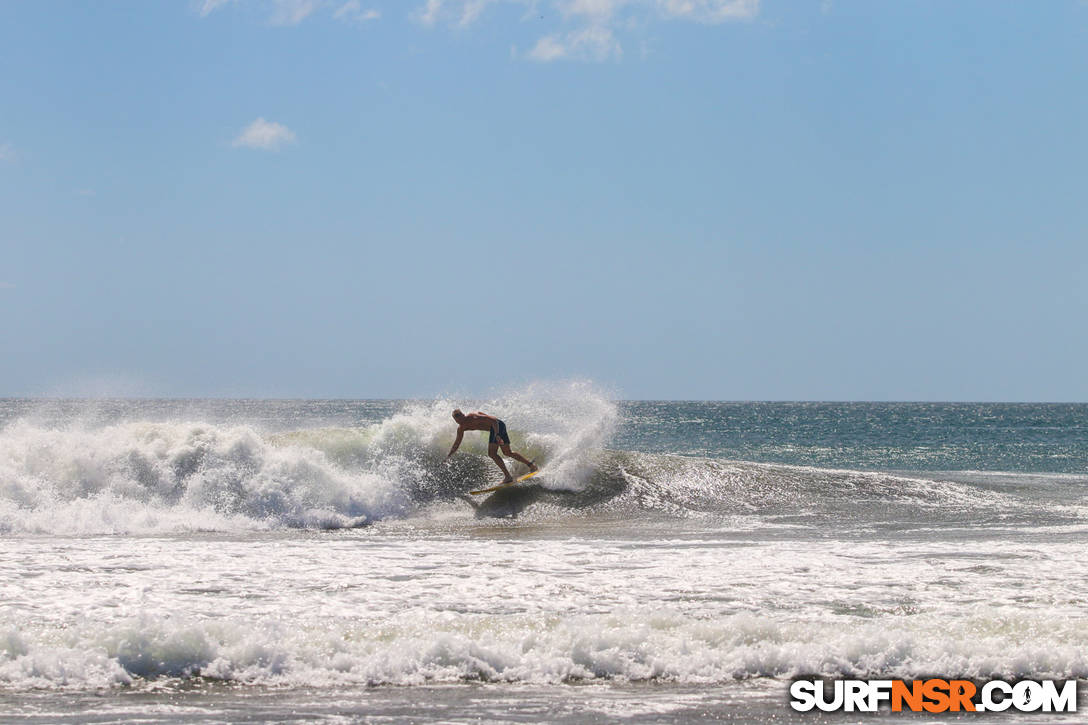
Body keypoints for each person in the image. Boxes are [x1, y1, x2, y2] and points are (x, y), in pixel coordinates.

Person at [445, 409, 536, 483]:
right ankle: (531, 466)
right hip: (499, 427)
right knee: (507, 452)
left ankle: (508, 477)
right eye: (457, 420)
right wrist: (449, 455)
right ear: (455, 421)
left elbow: (493, 421)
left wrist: (497, 434)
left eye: (461, 418)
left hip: (497, 426)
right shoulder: (461, 428)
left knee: (492, 454)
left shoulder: (473, 417)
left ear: (463, 415)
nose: (461, 421)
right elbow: (457, 443)